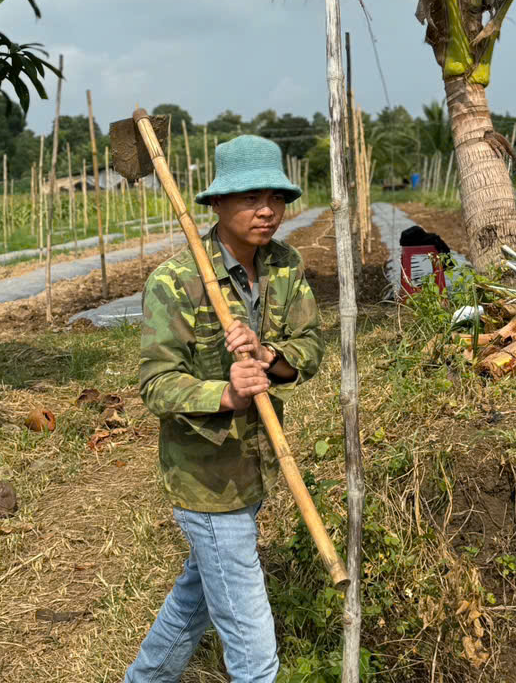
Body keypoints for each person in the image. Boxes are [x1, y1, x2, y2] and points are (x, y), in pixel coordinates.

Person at [124, 134, 324, 683]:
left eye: (275, 198)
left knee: (195, 600)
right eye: (250, 198)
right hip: (205, 478)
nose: (267, 210)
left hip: (256, 461)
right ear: (216, 203)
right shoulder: (176, 282)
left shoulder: (284, 265)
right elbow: (156, 384)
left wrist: (270, 355)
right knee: (251, 638)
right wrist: (225, 394)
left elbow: (311, 346)